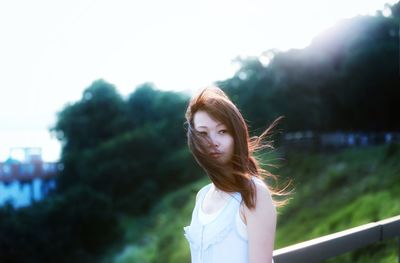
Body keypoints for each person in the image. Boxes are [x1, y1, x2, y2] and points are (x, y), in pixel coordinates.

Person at [183, 87, 289, 263]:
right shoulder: (202, 196)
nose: (213, 142)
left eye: (222, 131)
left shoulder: (253, 193)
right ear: (193, 140)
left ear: (236, 135)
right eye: (203, 133)